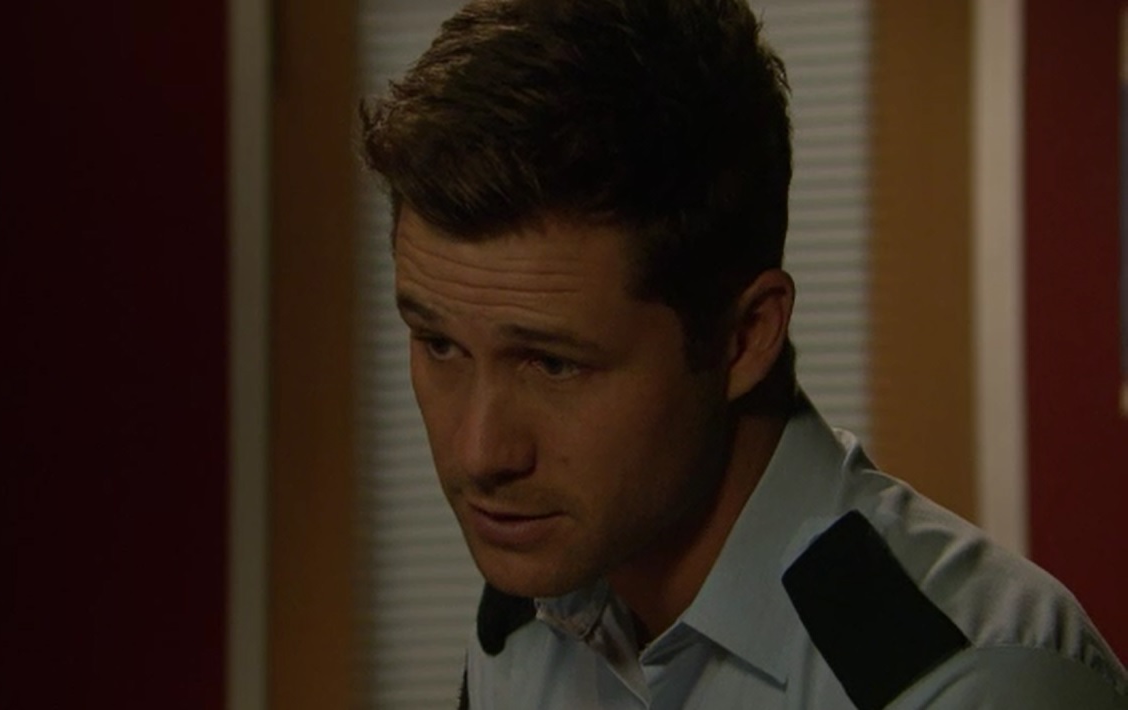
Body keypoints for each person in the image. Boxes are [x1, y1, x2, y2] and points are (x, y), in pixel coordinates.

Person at [358, 0, 1128, 707]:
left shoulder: (965, 682)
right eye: (440, 345)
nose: (481, 453)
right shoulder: (536, 604)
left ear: (745, 337)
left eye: (554, 364)